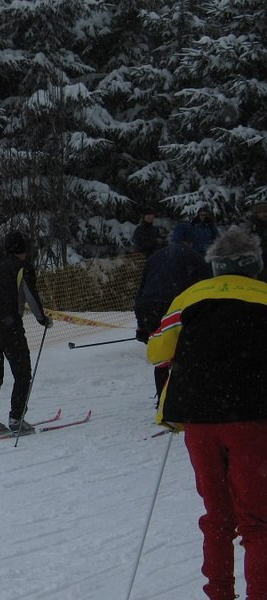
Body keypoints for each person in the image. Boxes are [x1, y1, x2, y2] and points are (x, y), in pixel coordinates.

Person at [147, 226, 267, 600]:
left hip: (198, 417)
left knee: (217, 517)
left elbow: (157, 352)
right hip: (253, 417)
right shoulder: (264, 295)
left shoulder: (190, 297)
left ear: (215, 265)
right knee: (257, 520)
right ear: (255, 265)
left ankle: (219, 593)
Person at [0, 230, 52, 436]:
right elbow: (30, 296)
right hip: (9, 326)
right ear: (22, 249)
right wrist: (42, 319)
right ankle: (16, 418)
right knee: (22, 372)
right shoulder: (23, 268)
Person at [134, 222, 208, 398]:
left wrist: (142, 325)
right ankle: (182, 397)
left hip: (150, 307)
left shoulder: (155, 256)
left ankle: (162, 398)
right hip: (175, 307)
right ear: (190, 240)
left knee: (162, 356)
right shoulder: (195, 257)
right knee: (184, 353)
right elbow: (205, 289)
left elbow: (141, 291)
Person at [242, 200, 267, 281]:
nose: (265, 214)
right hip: (257, 264)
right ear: (256, 213)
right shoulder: (250, 226)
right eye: (262, 212)